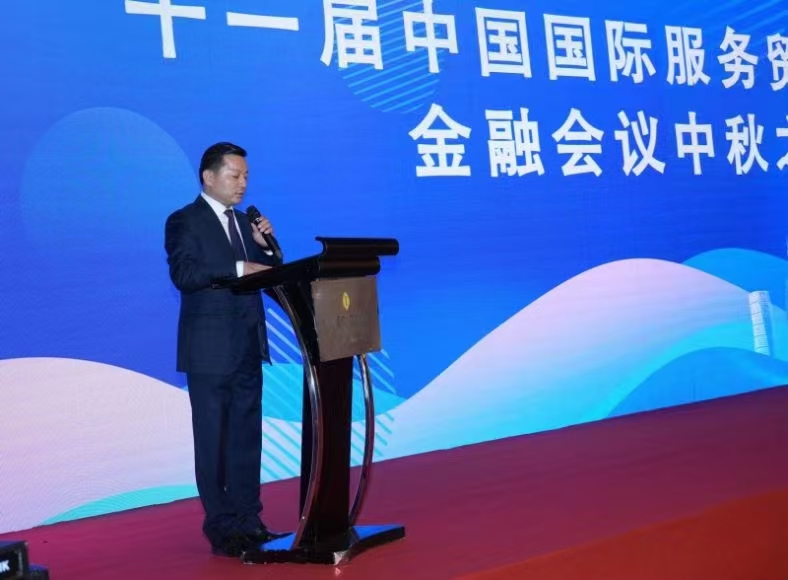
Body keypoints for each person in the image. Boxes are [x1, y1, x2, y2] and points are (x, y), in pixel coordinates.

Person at [164, 141, 283, 557]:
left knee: (247, 439)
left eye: (246, 176)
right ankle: (222, 527)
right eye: (235, 175)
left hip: (248, 345)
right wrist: (236, 268)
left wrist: (265, 246)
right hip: (209, 351)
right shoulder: (184, 220)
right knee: (213, 442)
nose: (242, 183)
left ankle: (250, 520)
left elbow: (269, 272)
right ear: (208, 177)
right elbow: (184, 274)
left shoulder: (245, 223)